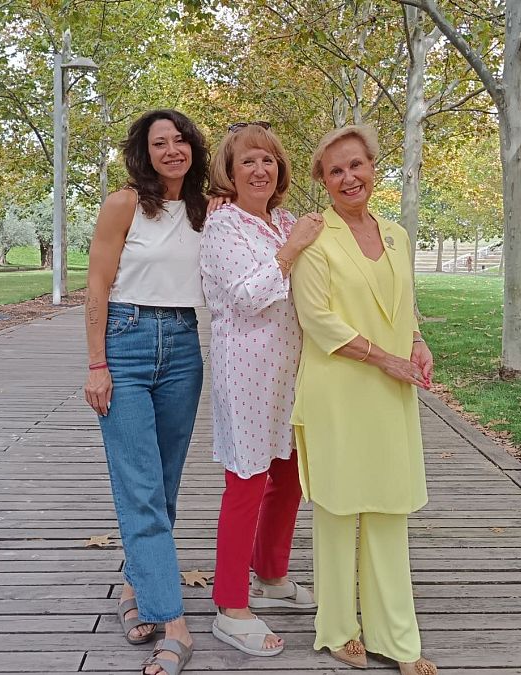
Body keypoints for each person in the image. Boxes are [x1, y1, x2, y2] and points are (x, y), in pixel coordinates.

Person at [290, 125, 437, 675]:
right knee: (337, 509)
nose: (348, 178)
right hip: (338, 389)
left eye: (356, 165)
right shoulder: (315, 238)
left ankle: (397, 640)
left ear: (373, 166)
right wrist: (386, 358)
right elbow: (318, 320)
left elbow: (405, 305)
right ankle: (337, 629)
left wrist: (417, 344)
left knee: (389, 508)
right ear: (322, 181)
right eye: (335, 171)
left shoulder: (396, 233)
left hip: (392, 388)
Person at [83, 109, 207, 675]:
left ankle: (135, 585)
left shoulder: (210, 209)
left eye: (180, 139)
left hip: (183, 347)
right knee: (140, 488)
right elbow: (98, 287)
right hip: (127, 344)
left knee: (165, 485)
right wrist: (96, 364)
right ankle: (173, 623)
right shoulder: (123, 204)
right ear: (145, 151)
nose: (172, 149)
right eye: (161, 142)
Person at [199, 122, 323, 657]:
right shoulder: (222, 226)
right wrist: (293, 250)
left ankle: (271, 575)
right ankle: (231, 605)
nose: (259, 170)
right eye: (248, 161)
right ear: (229, 171)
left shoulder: (284, 221)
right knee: (246, 481)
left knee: (289, 475)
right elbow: (250, 296)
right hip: (246, 370)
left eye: (269, 161)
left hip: (295, 370)